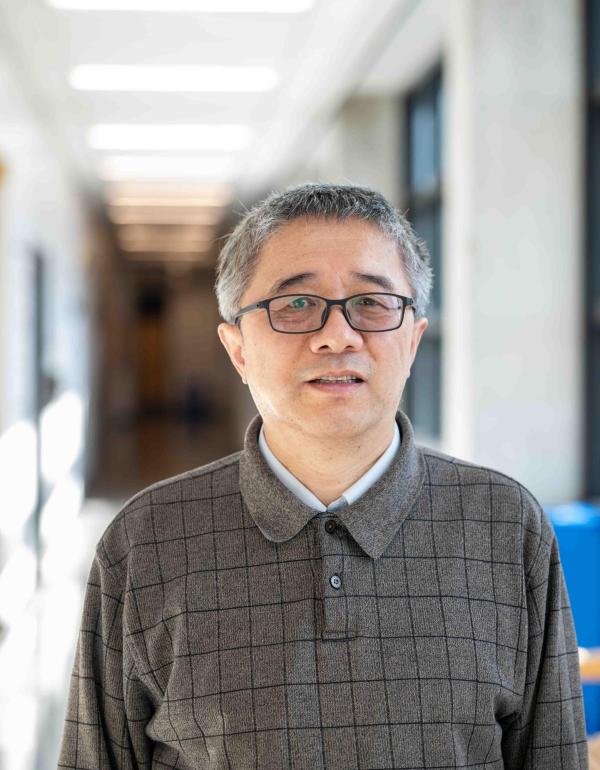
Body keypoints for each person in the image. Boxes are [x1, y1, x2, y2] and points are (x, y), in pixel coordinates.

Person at [58, 183, 589, 769]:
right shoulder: (146, 540)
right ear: (236, 348)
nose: (338, 335)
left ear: (413, 340)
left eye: (372, 303)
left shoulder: (506, 526)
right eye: (295, 304)